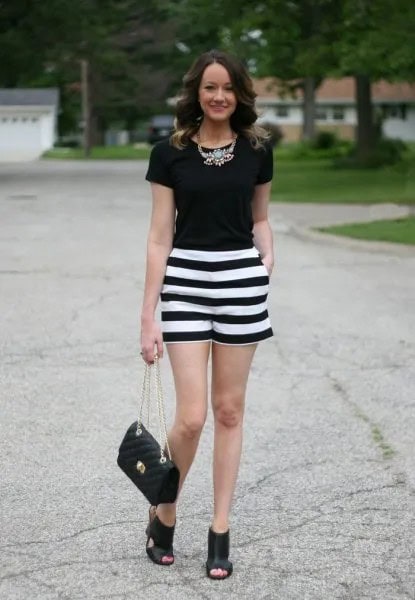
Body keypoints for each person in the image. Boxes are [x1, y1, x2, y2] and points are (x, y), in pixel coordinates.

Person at [140, 49, 274, 580]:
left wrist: (267, 254)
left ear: (240, 93)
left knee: (229, 412)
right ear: (196, 93)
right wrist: (148, 315)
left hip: (242, 282)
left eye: (228, 87)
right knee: (191, 417)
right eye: (209, 87)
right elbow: (158, 236)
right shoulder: (168, 154)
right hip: (186, 284)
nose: (219, 96)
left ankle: (220, 528)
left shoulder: (258, 151)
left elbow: (260, 217)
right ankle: (164, 511)